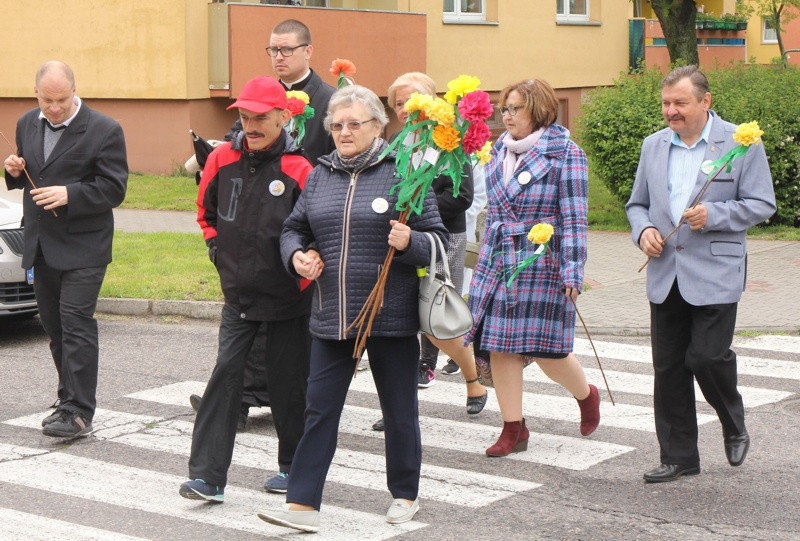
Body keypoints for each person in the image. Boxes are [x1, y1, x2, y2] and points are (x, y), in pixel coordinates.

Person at [257, 85, 448, 533]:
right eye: (336, 125)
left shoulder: (405, 173)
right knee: (319, 410)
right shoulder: (321, 174)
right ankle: (302, 504)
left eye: (354, 124)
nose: (344, 132)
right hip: (333, 314)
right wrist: (297, 256)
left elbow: (438, 241)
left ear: (377, 127)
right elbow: (293, 229)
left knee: (398, 410)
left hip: (390, 315)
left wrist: (411, 242)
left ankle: (404, 493)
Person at [626, 65, 776, 483]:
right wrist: (644, 231)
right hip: (665, 271)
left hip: (716, 270)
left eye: (680, 102)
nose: (671, 111)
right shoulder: (654, 145)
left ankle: (733, 420)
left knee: (706, 356)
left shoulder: (741, 143)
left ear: (706, 101)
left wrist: (715, 214)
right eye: (666, 103)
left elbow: (762, 203)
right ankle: (679, 457)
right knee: (669, 368)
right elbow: (637, 204)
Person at [191, 18, 336, 430]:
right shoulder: (256, 97)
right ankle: (238, 400)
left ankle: (284, 404)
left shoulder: (329, 100)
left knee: (289, 335)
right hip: (247, 229)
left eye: (287, 50)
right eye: (273, 50)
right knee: (246, 323)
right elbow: (233, 145)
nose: (279, 57)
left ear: (308, 51)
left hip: (301, 227)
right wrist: (217, 245)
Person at [178, 76, 313, 502]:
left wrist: (302, 270)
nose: (250, 126)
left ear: (282, 117)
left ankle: (294, 469)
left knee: (289, 387)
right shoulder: (221, 158)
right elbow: (205, 211)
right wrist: (217, 250)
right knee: (225, 378)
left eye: (260, 118)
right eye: (244, 117)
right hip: (238, 296)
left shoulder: (300, 169)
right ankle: (207, 478)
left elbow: (313, 230)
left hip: (289, 299)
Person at [464, 78, 600, 457]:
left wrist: (573, 270)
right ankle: (514, 428)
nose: (507, 116)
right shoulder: (496, 151)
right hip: (500, 259)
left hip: (542, 260)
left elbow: (574, 218)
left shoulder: (566, 153)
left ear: (538, 110)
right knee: (499, 346)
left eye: (515, 109)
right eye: (504, 109)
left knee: (546, 351)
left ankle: (586, 395)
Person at [3, 61, 128, 438]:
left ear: (75, 91)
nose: (55, 108)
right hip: (42, 245)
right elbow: (30, 175)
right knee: (55, 327)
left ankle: (79, 411)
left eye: (62, 99)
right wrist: (12, 171)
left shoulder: (105, 129)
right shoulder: (27, 122)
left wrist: (70, 194)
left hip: (85, 246)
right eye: (47, 100)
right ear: (36, 94)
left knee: (76, 324)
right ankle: (67, 398)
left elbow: (114, 188)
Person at [371, 72, 485, 433]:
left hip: (441, 239)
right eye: (398, 103)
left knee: (436, 320)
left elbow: (461, 196)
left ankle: (472, 378)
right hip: (400, 240)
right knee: (400, 324)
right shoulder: (396, 142)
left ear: (431, 101)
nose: (405, 109)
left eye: (411, 100)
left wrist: (415, 207)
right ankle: (398, 408)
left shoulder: (448, 139)